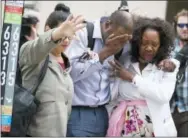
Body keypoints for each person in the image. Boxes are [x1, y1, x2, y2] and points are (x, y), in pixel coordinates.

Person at [106, 17, 180, 137]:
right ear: (136, 42)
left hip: (155, 129)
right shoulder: (125, 61)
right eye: (144, 43)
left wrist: (132, 78)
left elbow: (163, 95)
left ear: (161, 45)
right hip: (124, 127)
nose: (149, 48)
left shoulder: (168, 66)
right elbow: (114, 95)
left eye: (154, 44)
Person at [18, 5, 85, 137]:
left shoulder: (66, 63)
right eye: (63, 35)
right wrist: (57, 33)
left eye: (70, 36)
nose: (66, 40)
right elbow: (39, 46)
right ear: (48, 29)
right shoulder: (33, 54)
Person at [66, 10, 134, 137]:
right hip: (79, 111)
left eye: (125, 40)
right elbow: (70, 74)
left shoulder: (124, 44)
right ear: (108, 25)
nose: (121, 43)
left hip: (104, 112)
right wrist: (105, 53)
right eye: (118, 37)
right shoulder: (83, 33)